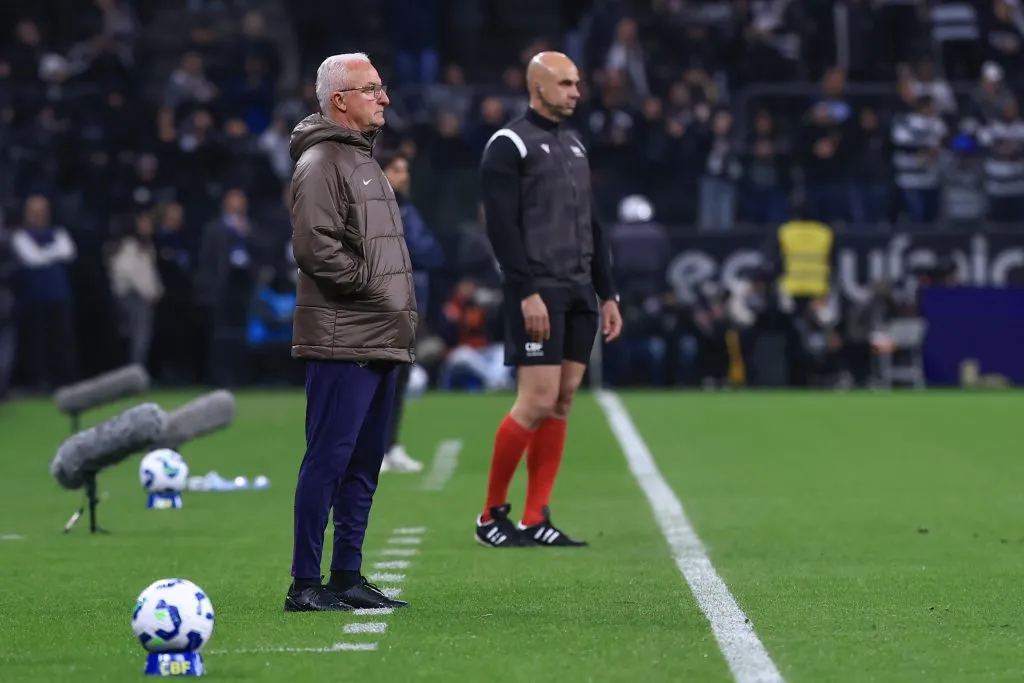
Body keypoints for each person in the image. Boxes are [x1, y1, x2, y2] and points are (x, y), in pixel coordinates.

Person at [474, 51, 623, 549]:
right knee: (535, 400)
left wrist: (608, 293)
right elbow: (501, 227)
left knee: (561, 402)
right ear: (537, 88)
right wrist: (525, 290)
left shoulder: (575, 145)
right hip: (539, 290)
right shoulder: (509, 144)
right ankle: (491, 514)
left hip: (580, 290)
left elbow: (593, 226)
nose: (576, 92)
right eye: (565, 84)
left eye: (577, 83)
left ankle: (538, 516)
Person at [286, 52, 417, 612]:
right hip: (345, 336)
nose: (383, 97)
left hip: (377, 334)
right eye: (372, 89)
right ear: (340, 100)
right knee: (328, 461)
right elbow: (314, 247)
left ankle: (346, 576)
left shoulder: (360, 159)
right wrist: (375, 291)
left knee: (363, 467)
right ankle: (304, 583)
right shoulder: (322, 161)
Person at [376, 150, 445, 473]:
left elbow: (433, 254)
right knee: (376, 382)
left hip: (410, 305)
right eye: (397, 169)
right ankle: (371, 450)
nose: (404, 175)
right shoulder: (373, 209)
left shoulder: (408, 210)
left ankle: (391, 446)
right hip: (382, 307)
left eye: (405, 169)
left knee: (399, 382)